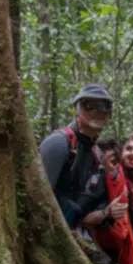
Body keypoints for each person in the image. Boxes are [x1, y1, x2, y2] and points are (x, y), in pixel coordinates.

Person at [39, 83, 117, 233]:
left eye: (103, 107)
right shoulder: (59, 143)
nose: (96, 111)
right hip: (49, 231)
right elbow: (39, 196)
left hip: (73, 231)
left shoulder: (95, 152)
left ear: (109, 116)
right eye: (89, 105)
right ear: (77, 110)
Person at [85, 136, 133, 264]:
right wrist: (106, 213)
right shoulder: (98, 179)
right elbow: (80, 217)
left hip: (120, 243)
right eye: (129, 149)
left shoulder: (130, 179)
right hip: (98, 242)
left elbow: (132, 220)